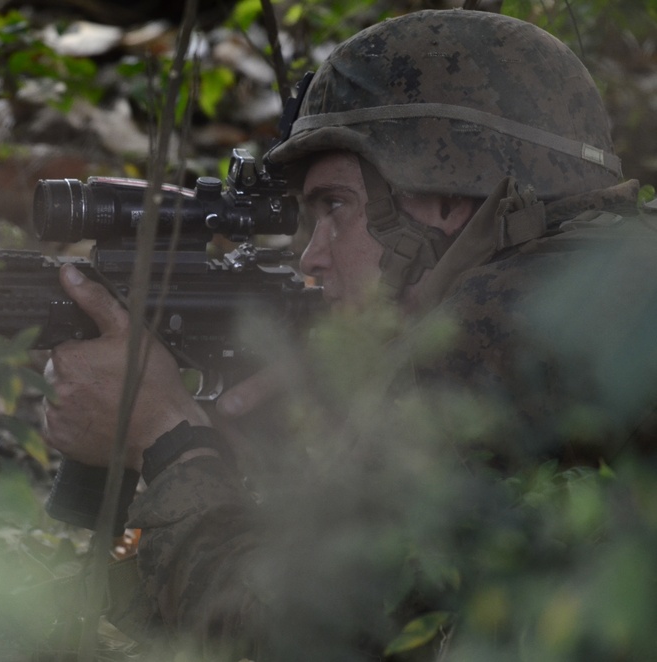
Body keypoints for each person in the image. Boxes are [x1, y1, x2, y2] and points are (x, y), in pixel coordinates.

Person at [43, 8, 657, 660]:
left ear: (446, 196)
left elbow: (294, 639)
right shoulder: (595, 277)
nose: (310, 256)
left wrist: (167, 441)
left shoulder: (495, 324)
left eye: (334, 206)